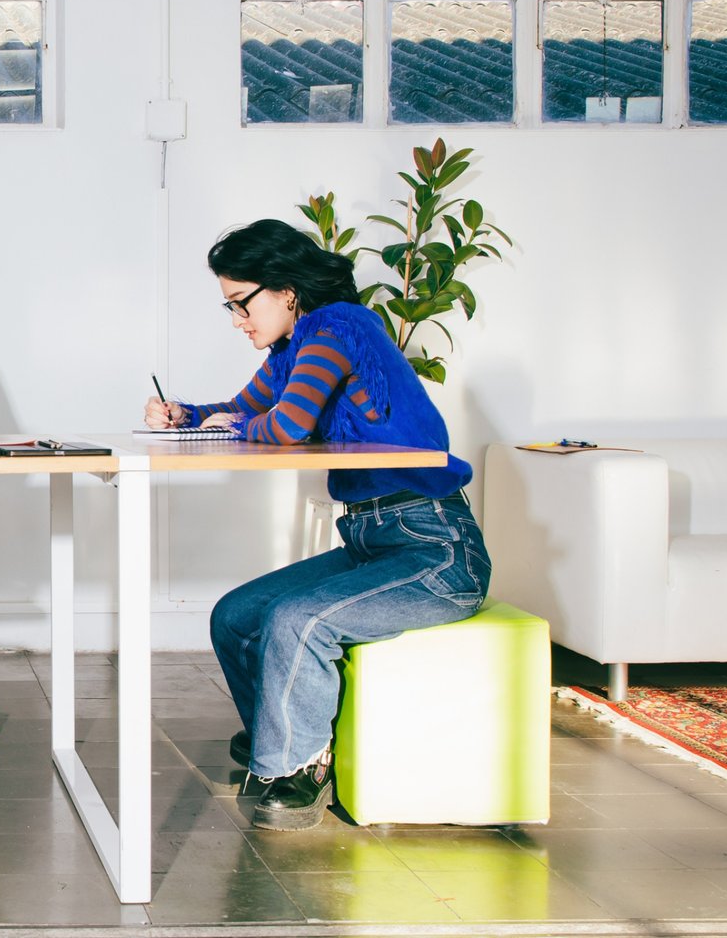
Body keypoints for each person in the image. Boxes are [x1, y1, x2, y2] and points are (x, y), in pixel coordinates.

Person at [146, 218, 491, 831]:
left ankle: (296, 766)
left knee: (297, 620)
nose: (238, 321)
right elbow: (245, 408)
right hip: (370, 538)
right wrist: (186, 414)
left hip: (435, 550)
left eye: (241, 303)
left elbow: (285, 426)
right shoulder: (295, 349)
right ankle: (276, 739)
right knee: (235, 614)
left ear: (285, 290)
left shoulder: (338, 326)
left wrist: (234, 426)